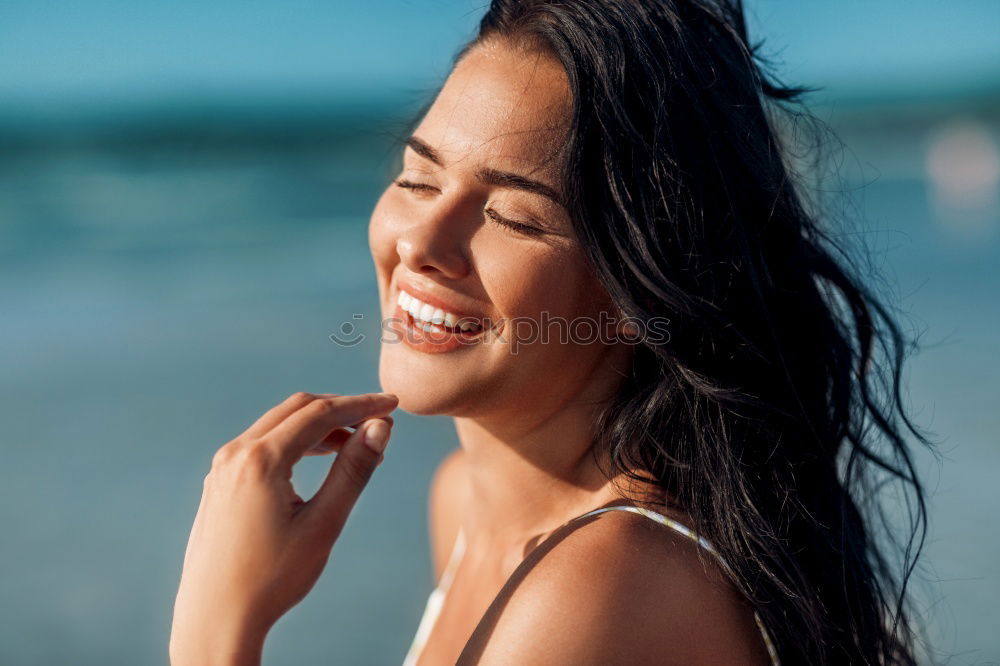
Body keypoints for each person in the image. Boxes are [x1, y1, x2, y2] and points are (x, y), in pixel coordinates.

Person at [169, 1, 933, 664]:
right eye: (417, 178)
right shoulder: (465, 502)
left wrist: (214, 634)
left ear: (638, 286)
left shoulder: (603, 586)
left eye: (512, 216)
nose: (422, 243)